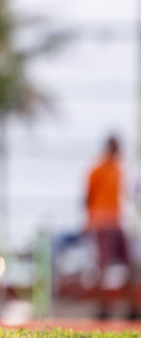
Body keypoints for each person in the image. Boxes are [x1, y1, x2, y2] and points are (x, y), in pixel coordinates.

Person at [87, 134, 134, 317]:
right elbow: (88, 196)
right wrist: (90, 221)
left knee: (128, 265)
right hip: (101, 222)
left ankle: (129, 307)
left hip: (115, 221)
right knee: (103, 267)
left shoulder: (118, 169)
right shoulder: (97, 168)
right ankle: (102, 308)